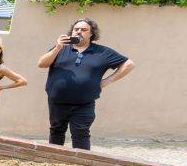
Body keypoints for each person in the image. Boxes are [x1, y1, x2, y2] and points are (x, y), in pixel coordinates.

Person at [37, 18, 134, 150]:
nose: (79, 32)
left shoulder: (102, 52)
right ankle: (54, 160)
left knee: (81, 132)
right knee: (56, 130)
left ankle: (81, 165)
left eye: (83, 30)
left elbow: (128, 64)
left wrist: (106, 81)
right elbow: (42, 63)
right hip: (57, 101)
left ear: (91, 33)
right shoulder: (60, 48)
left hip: (84, 103)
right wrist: (58, 47)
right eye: (76, 29)